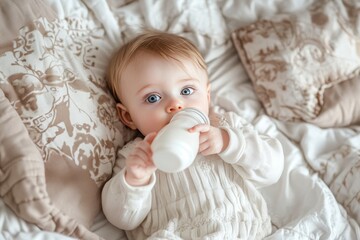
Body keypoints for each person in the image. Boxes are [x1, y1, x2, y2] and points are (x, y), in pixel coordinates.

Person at [102, 30, 284, 239]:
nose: (175, 105)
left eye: (187, 91)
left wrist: (228, 143)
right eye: (153, 98)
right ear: (128, 116)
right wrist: (136, 180)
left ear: (207, 97)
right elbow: (120, 219)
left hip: (247, 231)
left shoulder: (226, 128)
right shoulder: (136, 156)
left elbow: (273, 169)